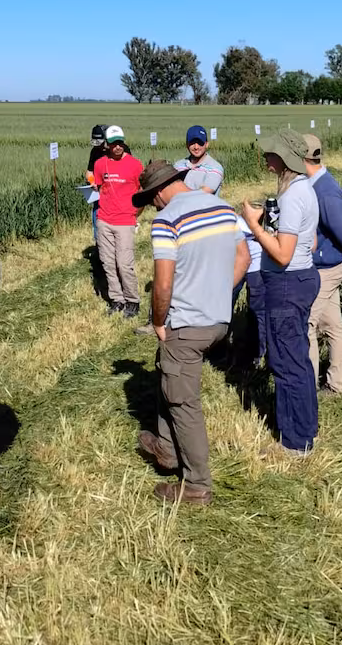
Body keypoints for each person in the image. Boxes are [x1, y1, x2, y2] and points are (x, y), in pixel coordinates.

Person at [134, 161, 248, 506]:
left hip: (188, 325)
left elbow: (163, 282)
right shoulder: (222, 207)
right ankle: (166, 449)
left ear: (157, 193)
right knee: (166, 371)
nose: (153, 205)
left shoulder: (167, 220)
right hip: (218, 321)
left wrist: (157, 320)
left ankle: (197, 485)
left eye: (151, 199)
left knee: (184, 402)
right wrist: (215, 292)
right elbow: (242, 258)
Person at [242, 129, 321, 456]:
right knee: (298, 358)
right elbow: (311, 242)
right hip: (302, 279)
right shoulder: (304, 190)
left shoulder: (292, 197)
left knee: (286, 362)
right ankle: (306, 427)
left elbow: (284, 254)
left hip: (286, 284)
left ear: (284, 159)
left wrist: (254, 225)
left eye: (270, 153)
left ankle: (294, 442)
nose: (265, 158)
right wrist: (271, 222)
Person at [304, 135, 342, 397]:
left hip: (326, 267)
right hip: (327, 265)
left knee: (307, 324)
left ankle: (307, 387)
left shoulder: (326, 191)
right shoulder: (315, 184)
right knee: (331, 325)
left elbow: (341, 231)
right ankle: (337, 384)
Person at [93, 125, 144, 318]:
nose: (117, 147)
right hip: (104, 220)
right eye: (114, 144)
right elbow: (99, 188)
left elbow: (142, 192)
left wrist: (134, 214)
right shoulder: (100, 164)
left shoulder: (135, 164)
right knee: (108, 262)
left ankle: (133, 300)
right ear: (107, 145)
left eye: (120, 143)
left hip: (125, 222)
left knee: (124, 264)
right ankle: (117, 300)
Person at [231, 215, 267, 367]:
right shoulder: (235, 219)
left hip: (251, 267)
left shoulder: (234, 221)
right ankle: (255, 352)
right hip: (245, 266)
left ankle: (257, 353)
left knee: (256, 311)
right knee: (256, 311)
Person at [172, 125, 224, 195]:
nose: (196, 147)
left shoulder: (215, 168)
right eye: (192, 143)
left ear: (207, 144)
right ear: (187, 145)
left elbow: (204, 193)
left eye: (200, 143)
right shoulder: (178, 166)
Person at [85, 124, 107, 243]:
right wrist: (92, 182)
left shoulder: (117, 150)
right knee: (96, 212)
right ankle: (98, 242)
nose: (100, 147)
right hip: (98, 193)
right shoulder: (95, 152)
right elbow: (89, 171)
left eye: (102, 143)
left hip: (113, 193)